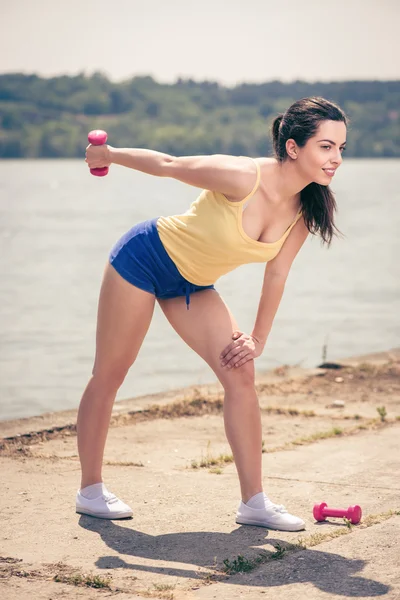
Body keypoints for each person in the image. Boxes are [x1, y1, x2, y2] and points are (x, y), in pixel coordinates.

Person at [76, 96, 348, 531]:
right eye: (326, 147)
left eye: (340, 149)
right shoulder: (243, 176)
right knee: (111, 372)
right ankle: (90, 491)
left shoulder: (306, 209)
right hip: (144, 259)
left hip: (192, 285)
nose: (335, 159)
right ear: (294, 148)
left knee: (241, 374)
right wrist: (108, 155)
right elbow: (168, 163)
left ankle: (254, 503)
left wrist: (257, 339)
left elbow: (276, 275)